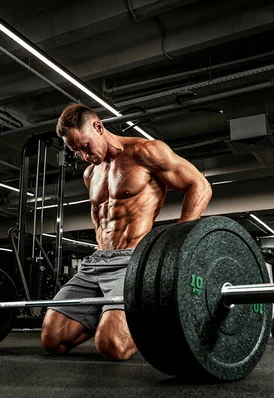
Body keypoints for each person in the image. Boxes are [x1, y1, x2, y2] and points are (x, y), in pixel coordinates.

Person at [41, 103, 212, 360]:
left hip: (132, 262)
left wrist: (179, 244)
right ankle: (113, 312)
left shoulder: (145, 151)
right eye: (76, 151)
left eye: (85, 146)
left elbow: (200, 185)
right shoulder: (91, 173)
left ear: (98, 127)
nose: (83, 155)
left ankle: (148, 310)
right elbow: (100, 217)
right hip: (96, 263)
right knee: (52, 340)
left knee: (112, 347)